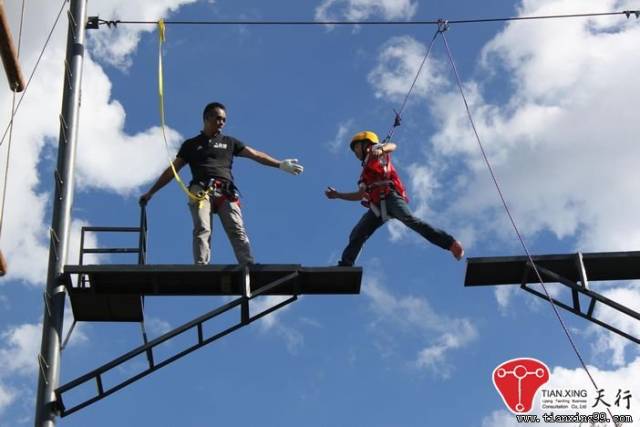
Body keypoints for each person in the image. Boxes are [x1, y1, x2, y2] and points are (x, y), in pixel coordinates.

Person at [140, 102, 303, 265]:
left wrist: (279, 164)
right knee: (202, 228)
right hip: (201, 189)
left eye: (224, 120)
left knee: (237, 229)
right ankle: (201, 266)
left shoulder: (229, 142)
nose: (222, 123)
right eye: (218, 118)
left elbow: (255, 154)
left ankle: (248, 265)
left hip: (226, 191)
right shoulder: (191, 145)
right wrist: (151, 192)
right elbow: (172, 170)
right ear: (206, 118)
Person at [325, 130, 464, 266]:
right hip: (377, 208)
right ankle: (346, 264)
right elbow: (359, 195)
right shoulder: (364, 174)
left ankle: (450, 243)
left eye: (356, 147)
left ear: (366, 144)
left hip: (390, 197)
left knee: (411, 220)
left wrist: (381, 150)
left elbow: (392, 146)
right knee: (358, 233)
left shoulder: (376, 150)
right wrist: (338, 195)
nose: (355, 152)